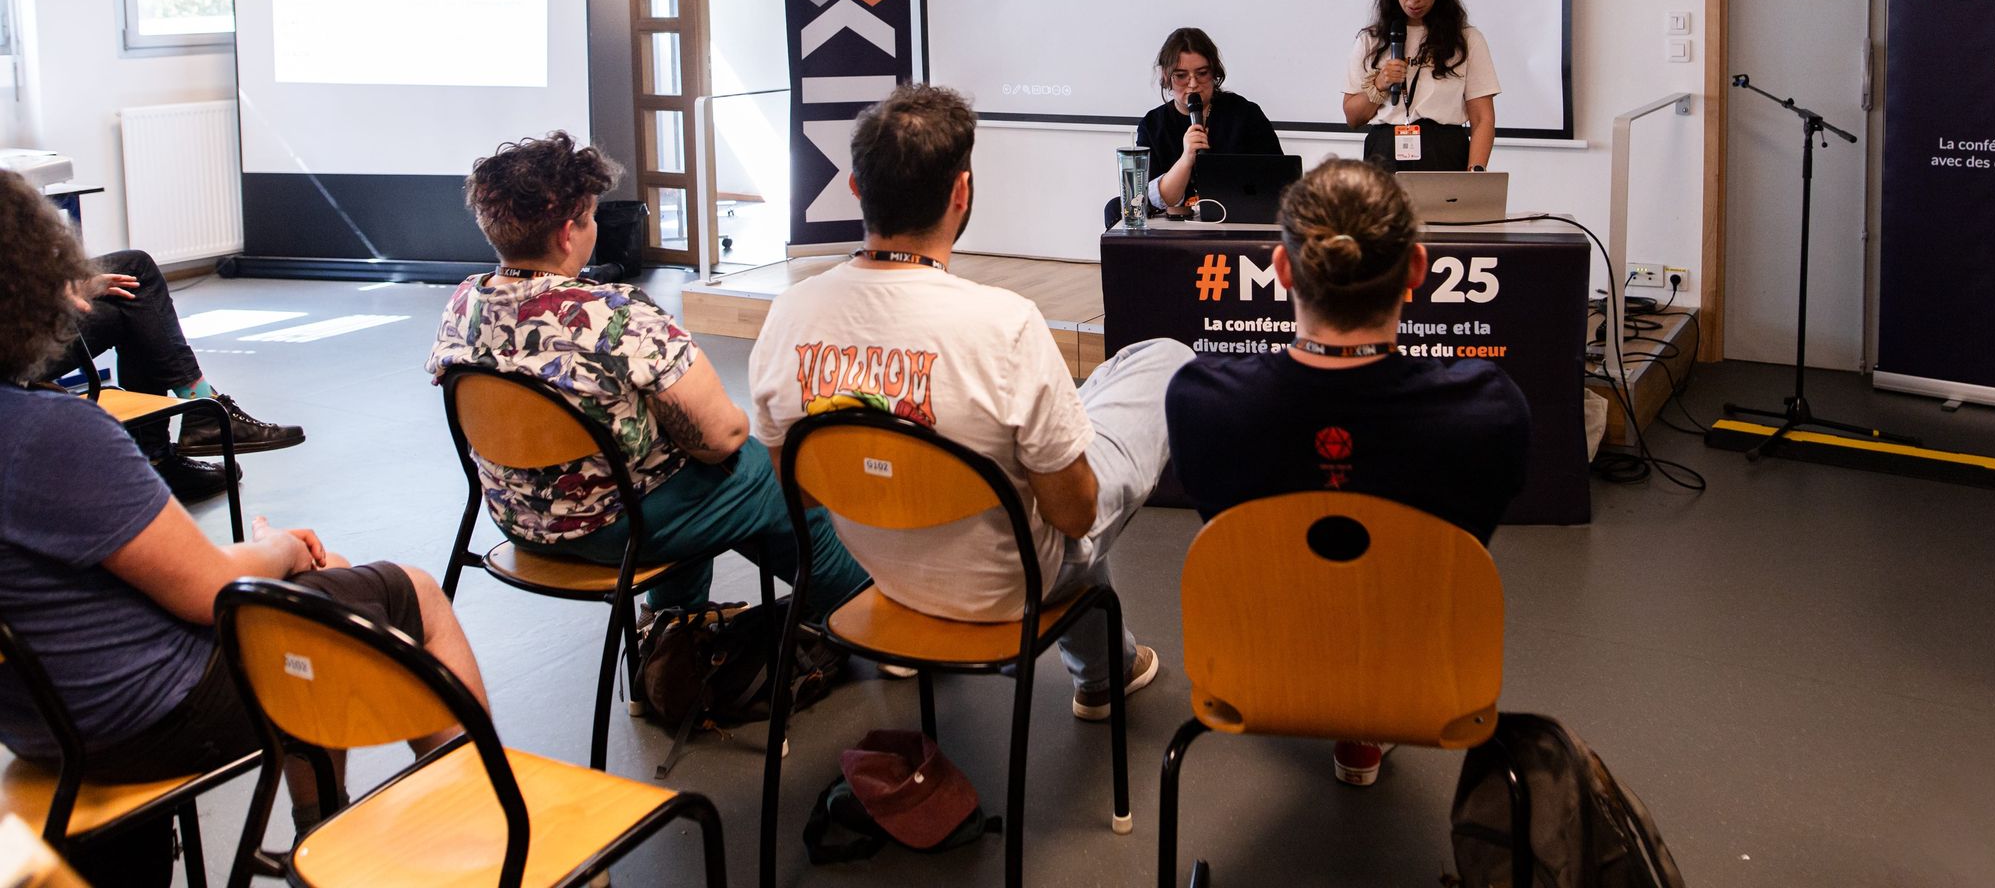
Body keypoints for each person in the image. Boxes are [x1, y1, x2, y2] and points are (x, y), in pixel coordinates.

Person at [0, 171, 486, 888]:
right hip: (142, 719)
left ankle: (322, 836)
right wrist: (277, 546)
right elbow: (209, 592)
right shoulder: (52, 434)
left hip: (37, 720)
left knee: (320, 586)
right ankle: (488, 836)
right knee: (407, 594)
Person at [748, 84, 1192, 720]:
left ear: (855, 188)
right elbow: (1074, 516)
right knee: (1161, 361)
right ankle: (1103, 674)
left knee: (1046, 443)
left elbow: (802, 490)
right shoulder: (1004, 325)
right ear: (962, 192)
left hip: (886, 573)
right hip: (1012, 587)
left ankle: (1106, 673)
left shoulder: (788, 315)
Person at [1164, 157, 1531, 786]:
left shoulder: (1200, 400)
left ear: (1282, 270)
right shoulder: (1488, 410)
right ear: (1417, 269)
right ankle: (1362, 721)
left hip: (1256, 666)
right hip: (1423, 672)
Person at [426, 133, 866, 624]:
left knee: (676, 462)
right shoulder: (615, 315)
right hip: (620, 528)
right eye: (592, 216)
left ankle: (673, 626)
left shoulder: (463, 304)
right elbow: (720, 438)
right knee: (764, 472)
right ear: (568, 233)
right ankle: (858, 614)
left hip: (518, 519)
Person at [38, 246, 304, 505]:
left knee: (130, 308)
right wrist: (64, 290)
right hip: (18, 356)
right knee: (136, 268)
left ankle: (158, 457)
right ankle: (194, 419)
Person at [1341, 0, 1500, 171]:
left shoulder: (1466, 39)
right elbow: (1353, 117)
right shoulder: (1371, 39)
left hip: (1443, 150)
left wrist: (1476, 172)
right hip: (1384, 151)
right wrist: (1380, 83)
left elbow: (1482, 119)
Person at [1133, 27, 1282, 218]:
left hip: (1236, 216)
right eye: (1181, 75)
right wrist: (1186, 158)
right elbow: (1149, 200)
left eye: (1202, 73)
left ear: (1214, 73)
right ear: (1166, 77)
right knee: (1115, 207)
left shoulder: (1245, 114)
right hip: (1175, 224)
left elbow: (1278, 181)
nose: (1193, 84)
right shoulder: (1153, 125)